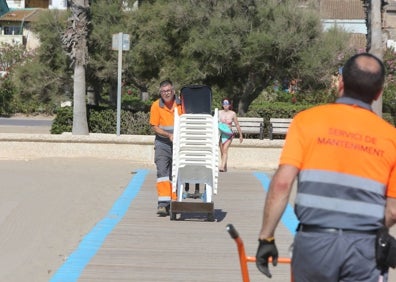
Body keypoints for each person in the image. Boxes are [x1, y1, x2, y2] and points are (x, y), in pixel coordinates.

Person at [256, 53, 396, 281]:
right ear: (378, 93)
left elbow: (282, 183)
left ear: (341, 84)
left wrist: (266, 237)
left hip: (314, 244)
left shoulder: (307, 121)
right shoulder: (391, 138)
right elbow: (392, 211)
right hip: (365, 249)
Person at [149, 80, 183, 216]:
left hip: (179, 143)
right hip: (162, 143)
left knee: (175, 173)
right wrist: (169, 134)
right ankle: (163, 204)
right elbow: (154, 126)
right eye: (163, 91)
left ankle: (174, 202)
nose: (166, 93)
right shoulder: (156, 105)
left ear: (173, 91)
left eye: (168, 90)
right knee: (162, 172)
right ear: (160, 93)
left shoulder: (181, 104)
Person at [218, 98, 243, 172]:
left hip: (229, 134)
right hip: (220, 133)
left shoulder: (232, 113)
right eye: (224, 104)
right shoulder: (219, 112)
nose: (225, 105)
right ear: (222, 105)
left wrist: (240, 135)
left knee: (225, 149)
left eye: (227, 104)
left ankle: (222, 166)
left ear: (229, 105)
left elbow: (237, 125)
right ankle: (224, 166)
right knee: (222, 151)